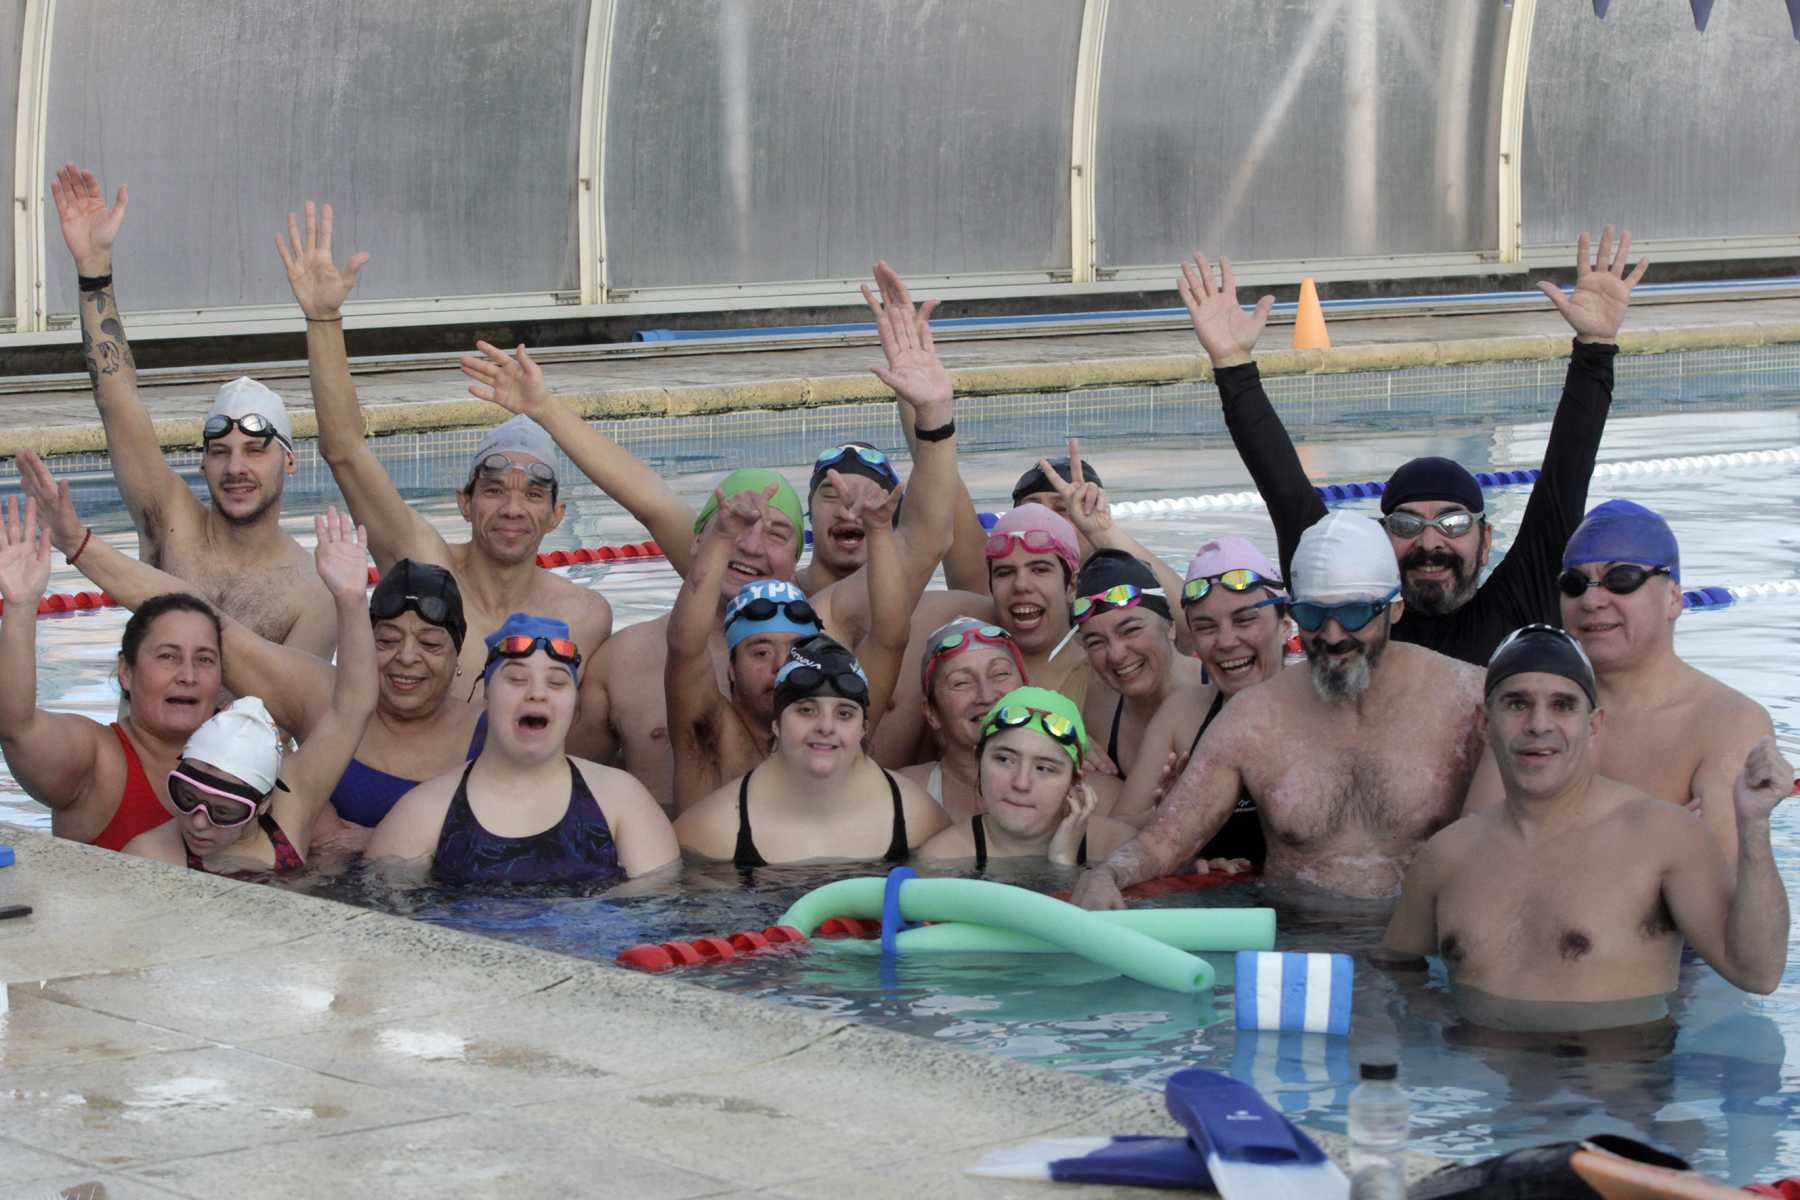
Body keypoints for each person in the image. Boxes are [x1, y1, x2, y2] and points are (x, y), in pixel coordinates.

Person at [560, 262, 959, 796]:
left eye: (775, 534)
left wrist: (933, 411)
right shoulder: (658, 669)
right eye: (735, 529)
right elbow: (653, 506)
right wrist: (544, 407)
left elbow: (918, 563)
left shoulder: (825, 632)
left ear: (796, 554)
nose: (749, 544)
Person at [1177, 229, 1649, 664]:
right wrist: (1232, 364)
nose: (1429, 542)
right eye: (1406, 524)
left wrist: (1596, 347)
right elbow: (1284, 489)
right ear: (1379, 540)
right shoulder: (1345, 616)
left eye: (1453, 522)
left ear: (1486, 542)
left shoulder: (1520, 601)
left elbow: (1567, 473)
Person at [18, 451, 480, 843]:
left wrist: (378, 843)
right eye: (387, 640)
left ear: (459, 655)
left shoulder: (491, 731)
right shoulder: (320, 702)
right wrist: (72, 549)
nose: (406, 657)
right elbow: (204, 618)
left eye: (431, 643)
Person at [1377, 625, 1791, 1030]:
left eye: (1562, 705)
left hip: (1611, 1085)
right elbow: (1397, 974)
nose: (1539, 724)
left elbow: (1758, 973)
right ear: (1486, 724)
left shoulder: (1663, 838)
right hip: (1483, 1086)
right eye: (1517, 704)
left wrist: (1754, 826)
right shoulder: (1447, 855)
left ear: (1593, 725)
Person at [1071, 513, 1486, 909]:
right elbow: (1165, 841)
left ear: (1394, 608)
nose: (1333, 635)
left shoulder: (1467, 699)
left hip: (1418, 948)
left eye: (1355, 613)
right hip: (1294, 946)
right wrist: (1106, 875)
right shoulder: (1253, 719)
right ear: (1294, 615)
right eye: (1313, 615)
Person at [279, 203, 612, 686]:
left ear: (558, 515)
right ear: (464, 502)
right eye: (495, 489)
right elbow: (345, 451)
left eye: (534, 493)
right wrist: (323, 320)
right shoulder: (423, 564)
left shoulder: (586, 615)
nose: (513, 508)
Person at [49, 163, 334, 656]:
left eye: (255, 450)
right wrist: (94, 272)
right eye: (220, 451)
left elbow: (297, 715)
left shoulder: (313, 594)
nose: (236, 467)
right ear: (202, 463)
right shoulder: (170, 520)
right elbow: (117, 400)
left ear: (290, 459)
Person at [1466, 500, 1777, 869]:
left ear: (1674, 598)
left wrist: (1546, 841)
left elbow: (1715, 893)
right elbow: (1474, 861)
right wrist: (1650, 844)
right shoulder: (1534, 707)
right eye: (1574, 584)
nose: (1592, 600)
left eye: (1622, 580)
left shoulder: (1728, 722)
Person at [666, 474, 918, 812]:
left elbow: (891, 637)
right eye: (760, 652)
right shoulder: (710, 738)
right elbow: (686, 645)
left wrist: (879, 530)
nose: (780, 666)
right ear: (730, 670)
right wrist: (722, 536)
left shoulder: (840, 722)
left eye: (797, 650)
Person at [365, 614, 677, 887]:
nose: (538, 693)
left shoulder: (622, 801)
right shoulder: (423, 814)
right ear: (487, 692)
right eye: (516, 679)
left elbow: (656, 918)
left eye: (556, 683)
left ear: (573, 704)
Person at [0, 495, 216, 849]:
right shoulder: (98, 761)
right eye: (168, 656)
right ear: (126, 672)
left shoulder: (245, 752)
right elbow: (17, 728)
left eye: (205, 659)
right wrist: (21, 606)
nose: (188, 675)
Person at [675, 636, 948, 865]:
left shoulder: (917, 818)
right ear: (777, 724)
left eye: (844, 713)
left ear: (863, 728)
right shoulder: (712, 830)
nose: (826, 726)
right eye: (806, 710)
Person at [1111, 538, 1289, 869]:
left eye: (1244, 620)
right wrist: (1170, 825)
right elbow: (1118, 829)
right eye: (1206, 627)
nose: (1226, 642)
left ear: (1286, 625)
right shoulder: (1184, 714)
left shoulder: (1321, 707)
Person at [872, 505, 1090, 767]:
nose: (1021, 585)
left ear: (1072, 586)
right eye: (1004, 572)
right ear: (991, 586)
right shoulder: (946, 618)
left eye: (1040, 569)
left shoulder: (1098, 673)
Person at [918, 688, 1133, 868]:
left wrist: (1062, 862)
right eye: (1004, 760)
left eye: (1044, 768)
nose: (1021, 783)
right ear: (979, 761)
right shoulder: (943, 859)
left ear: (1074, 781)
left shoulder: (1119, 849)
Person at [1070, 549, 1206, 783]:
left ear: (1171, 627)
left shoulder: (1221, 690)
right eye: (1096, 641)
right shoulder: (1094, 706)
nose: (1116, 655)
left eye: (1131, 630)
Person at [897, 618, 1030, 822]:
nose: (986, 696)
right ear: (931, 712)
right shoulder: (902, 795)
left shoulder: (1071, 789)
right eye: (961, 683)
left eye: (1000, 674)